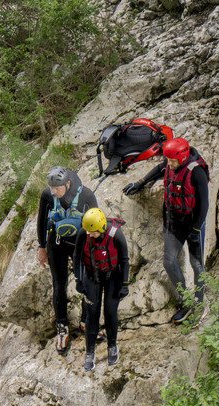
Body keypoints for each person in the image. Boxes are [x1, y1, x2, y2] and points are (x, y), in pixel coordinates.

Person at [124, 137, 210, 324]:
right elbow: (159, 169)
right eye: (168, 160)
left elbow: (204, 205)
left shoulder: (196, 172)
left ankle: (199, 304)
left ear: (183, 156)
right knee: (169, 262)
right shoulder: (172, 162)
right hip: (175, 222)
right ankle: (186, 301)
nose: (169, 164)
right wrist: (141, 182)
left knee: (197, 266)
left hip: (193, 223)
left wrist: (195, 229)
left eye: (172, 161)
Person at [35, 166, 100, 352]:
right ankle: (62, 327)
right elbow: (41, 220)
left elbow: (96, 220)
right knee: (59, 284)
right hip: (55, 244)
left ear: (68, 183)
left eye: (57, 189)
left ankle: (86, 321)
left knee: (87, 282)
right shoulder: (48, 195)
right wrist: (41, 247)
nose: (54, 192)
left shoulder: (86, 195)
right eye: (52, 188)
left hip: (80, 245)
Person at [78, 208, 129, 372]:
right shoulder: (84, 234)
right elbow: (77, 257)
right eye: (88, 232)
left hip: (112, 275)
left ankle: (112, 346)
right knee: (92, 314)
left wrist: (125, 284)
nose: (89, 235)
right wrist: (79, 281)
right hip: (92, 276)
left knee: (110, 311)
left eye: (92, 232)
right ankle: (90, 352)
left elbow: (125, 260)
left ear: (100, 228)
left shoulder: (116, 235)